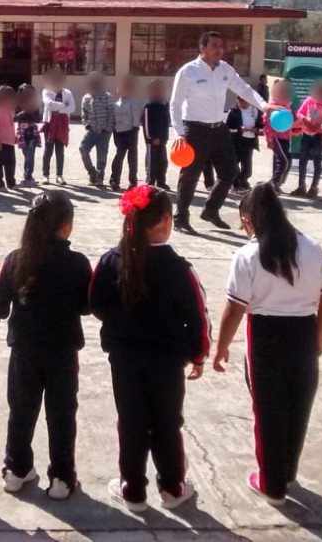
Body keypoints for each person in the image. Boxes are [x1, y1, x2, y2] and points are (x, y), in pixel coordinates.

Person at [0, 191, 91, 499]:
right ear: (67, 227)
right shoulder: (78, 264)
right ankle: (61, 479)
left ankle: (15, 470)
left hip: (24, 353)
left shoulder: (16, 260)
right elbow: (88, 306)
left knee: (21, 410)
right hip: (62, 353)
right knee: (61, 415)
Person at [212, 183, 322, 505]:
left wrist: (221, 346)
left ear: (250, 220)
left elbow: (234, 310)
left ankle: (272, 483)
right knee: (298, 404)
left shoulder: (248, 255)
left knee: (268, 410)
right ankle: (287, 471)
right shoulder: (312, 247)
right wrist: (319, 333)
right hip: (304, 332)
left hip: (265, 335)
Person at [90, 185, 210, 513]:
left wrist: (120, 324)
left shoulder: (111, 261)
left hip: (124, 359)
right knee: (167, 422)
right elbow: (197, 317)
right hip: (167, 363)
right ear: (166, 222)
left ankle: (133, 489)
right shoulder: (180, 269)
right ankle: (173, 487)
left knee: (130, 421)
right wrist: (198, 355)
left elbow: (96, 303)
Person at [169, 31, 273, 233]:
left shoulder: (225, 69)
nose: (220, 49)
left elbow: (244, 89)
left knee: (230, 172)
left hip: (219, 129)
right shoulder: (188, 72)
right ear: (203, 48)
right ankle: (181, 217)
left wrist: (264, 106)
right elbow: (175, 103)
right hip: (195, 130)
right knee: (190, 175)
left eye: (221, 45)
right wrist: (179, 133)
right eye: (215, 45)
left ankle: (211, 210)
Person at [290, 81, 322, 199]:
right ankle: (301, 186)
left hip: (318, 136)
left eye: (321, 93)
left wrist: (320, 127)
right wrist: (304, 119)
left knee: (317, 161)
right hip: (306, 135)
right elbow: (299, 113)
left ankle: (314, 187)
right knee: (302, 161)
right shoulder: (309, 101)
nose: (318, 95)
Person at [79, 72, 115, 187]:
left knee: (101, 156)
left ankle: (100, 177)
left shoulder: (107, 97)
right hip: (92, 131)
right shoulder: (86, 98)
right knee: (83, 149)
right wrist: (86, 124)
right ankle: (91, 172)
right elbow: (84, 113)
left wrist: (108, 129)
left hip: (104, 132)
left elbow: (112, 114)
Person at [42, 68, 75, 185]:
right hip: (49, 124)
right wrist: (64, 106)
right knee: (48, 150)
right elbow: (49, 105)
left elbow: (72, 108)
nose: (56, 82)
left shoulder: (67, 93)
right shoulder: (46, 92)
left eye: (59, 79)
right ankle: (45, 175)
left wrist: (59, 110)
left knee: (60, 151)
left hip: (62, 124)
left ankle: (59, 175)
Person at [110, 76, 142, 191]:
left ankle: (133, 182)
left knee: (132, 158)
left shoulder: (132, 102)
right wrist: (114, 130)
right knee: (119, 155)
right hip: (119, 133)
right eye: (120, 87)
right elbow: (113, 119)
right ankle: (114, 180)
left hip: (131, 132)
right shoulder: (115, 104)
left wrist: (134, 129)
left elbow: (136, 116)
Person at [265, 79, 294, 191]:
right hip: (276, 137)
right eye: (282, 91)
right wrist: (270, 139)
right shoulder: (272, 106)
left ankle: (276, 184)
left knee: (285, 160)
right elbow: (267, 122)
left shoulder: (286, 105)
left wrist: (296, 128)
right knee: (283, 161)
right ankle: (273, 183)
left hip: (286, 137)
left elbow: (288, 121)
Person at [228, 96, 262, 193]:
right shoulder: (234, 111)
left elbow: (260, 124)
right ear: (238, 101)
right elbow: (228, 127)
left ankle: (243, 183)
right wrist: (239, 129)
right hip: (236, 140)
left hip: (250, 140)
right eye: (242, 102)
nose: (245, 104)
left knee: (247, 164)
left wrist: (257, 129)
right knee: (234, 163)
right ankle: (236, 184)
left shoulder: (255, 110)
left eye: (247, 102)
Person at [142, 79, 171, 190]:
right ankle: (150, 181)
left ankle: (161, 181)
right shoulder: (148, 107)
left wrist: (164, 137)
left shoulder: (165, 105)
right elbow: (146, 124)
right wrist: (152, 138)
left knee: (163, 162)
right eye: (155, 90)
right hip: (152, 141)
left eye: (160, 90)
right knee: (151, 162)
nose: (158, 92)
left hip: (163, 140)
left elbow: (166, 122)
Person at [0, 86, 18, 191]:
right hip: (1, 142)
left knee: (11, 163)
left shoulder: (11, 110)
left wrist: (14, 136)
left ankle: (11, 182)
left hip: (10, 142)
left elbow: (11, 125)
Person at [16, 84, 42, 188]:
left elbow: (38, 119)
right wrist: (24, 112)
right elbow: (14, 118)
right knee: (26, 155)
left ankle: (28, 177)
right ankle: (28, 174)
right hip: (22, 133)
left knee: (30, 154)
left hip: (32, 132)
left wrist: (31, 111)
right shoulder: (18, 105)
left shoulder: (34, 105)